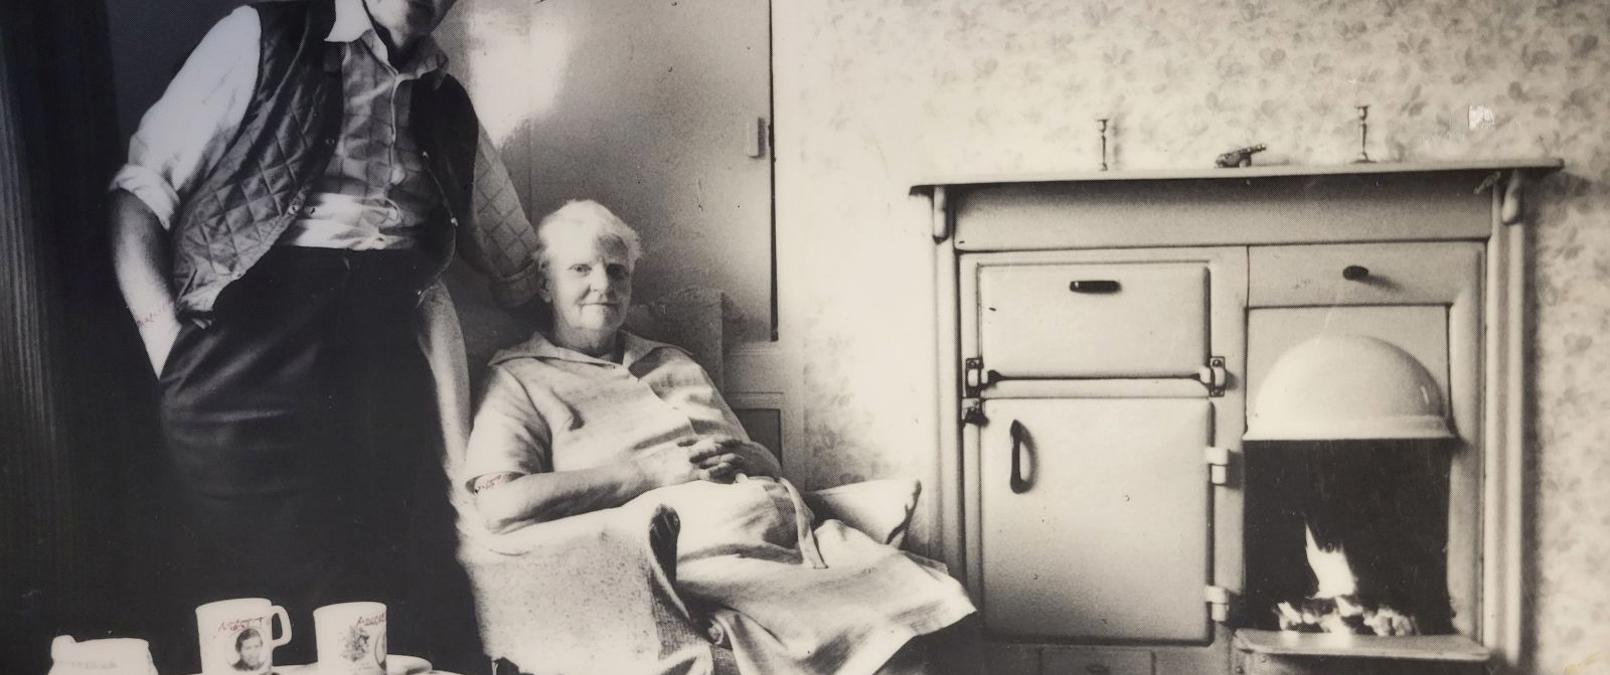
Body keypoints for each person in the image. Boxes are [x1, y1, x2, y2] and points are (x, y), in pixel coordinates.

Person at [107, 0, 540, 670]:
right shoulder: (264, 37)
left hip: (380, 380)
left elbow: (519, 267)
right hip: (243, 374)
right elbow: (138, 198)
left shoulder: (446, 103)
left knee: (421, 621)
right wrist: (175, 359)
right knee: (258, 632)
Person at [461, 200, 977, 675]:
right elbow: (502, 503)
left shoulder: (673, 360)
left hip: (799, 539)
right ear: (545, 284)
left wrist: (761, 459)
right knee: (880, 644)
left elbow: (745, 458)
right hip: (702, 561)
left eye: (617, 271)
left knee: (928, 626)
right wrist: (647, 474)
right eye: (581, 269)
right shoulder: (519, 378)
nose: (604, 285)